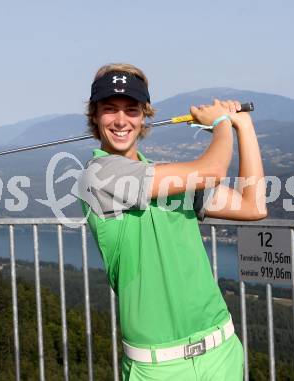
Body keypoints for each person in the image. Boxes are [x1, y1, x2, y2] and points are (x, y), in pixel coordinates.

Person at [78, 63, 267, 380]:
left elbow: (253, 205)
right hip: (157, 367)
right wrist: (221, 123)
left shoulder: (168, 179)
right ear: (95, 116)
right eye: (110, 110)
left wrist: (243, 126)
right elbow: (212, 170)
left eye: (132, 110)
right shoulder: (98, 176)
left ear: (144, 117)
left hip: (221, 351)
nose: (122, 120)